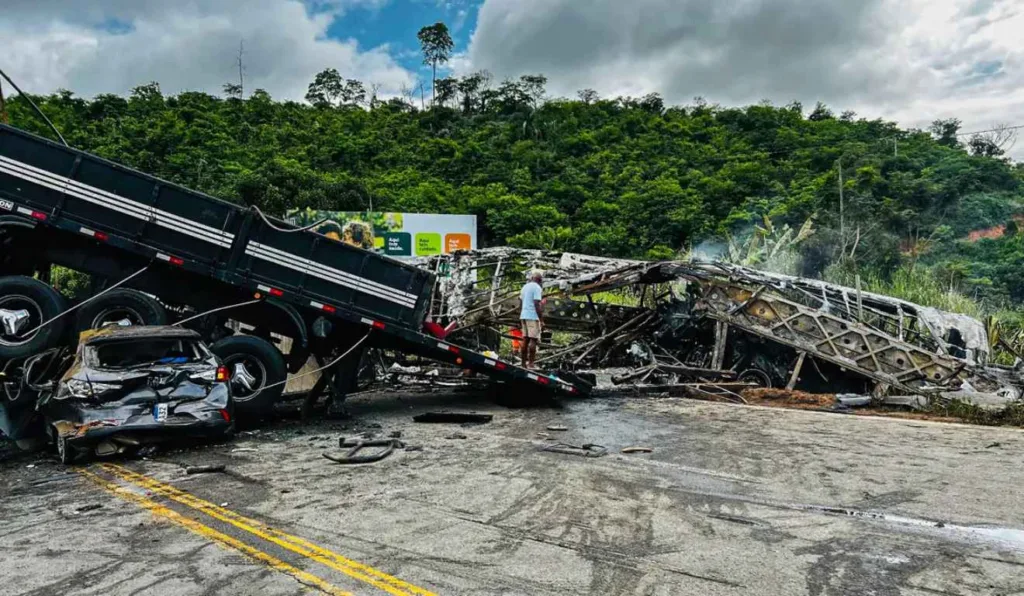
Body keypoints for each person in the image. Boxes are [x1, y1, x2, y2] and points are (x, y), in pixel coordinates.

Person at [519, 271, 544, 369]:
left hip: (524, 315)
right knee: (533, 340)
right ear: (539, 280)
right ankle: (531, 364)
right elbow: (536, 303)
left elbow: (520, 302)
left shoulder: (525, 287)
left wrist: (522, 313)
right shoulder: (537, 288)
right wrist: (541, 319)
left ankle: (523, 364)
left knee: (525, 339)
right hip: (533, 316)